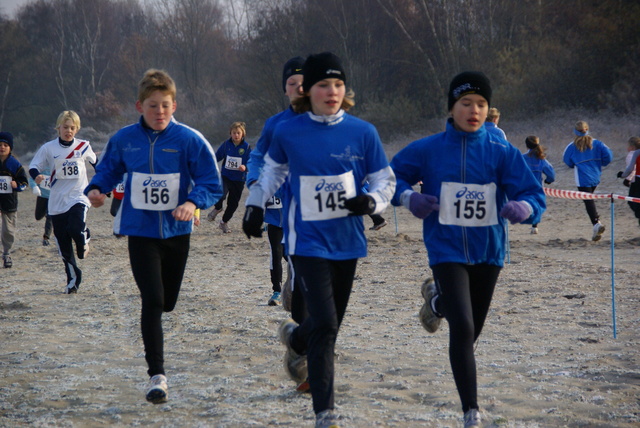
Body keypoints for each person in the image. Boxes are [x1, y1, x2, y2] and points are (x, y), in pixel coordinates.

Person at [242, 52, 396, 428]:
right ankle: (325, 413)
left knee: (329, 326)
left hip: (347, 240)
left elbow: (385, 179)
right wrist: (255, 205)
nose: (332, 92)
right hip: (305, 240)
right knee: (325, 322)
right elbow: (272, 172)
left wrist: (371, 201)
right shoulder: (288, 131)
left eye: (338, 85)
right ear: (307, 91)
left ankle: (296, 341)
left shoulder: (363, 132)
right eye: (324, 85)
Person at [389, 71, 546, 428]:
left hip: (489, 252)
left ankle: (436, 302)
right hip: (446, 250)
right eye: (466, 103)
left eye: (481, 104)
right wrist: (408, 196)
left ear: (489, 110)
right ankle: (471, 412)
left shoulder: (501, 152)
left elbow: (533, 193)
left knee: (471, 330)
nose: (474, 110)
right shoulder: (428, 149)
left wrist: (526, 209)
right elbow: (389, 176)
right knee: (461, 327)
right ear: (451, 108)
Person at [85, 69, 223, 404]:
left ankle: (157, 353)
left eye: (164, 105)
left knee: (168, 301)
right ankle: (156, 375)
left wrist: (193, 202)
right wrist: (96, 188)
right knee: (153, 300)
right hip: (140, 231)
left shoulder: (190, 140)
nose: (159, 112)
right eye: (152, 106)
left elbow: (211, 182)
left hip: (177, 231)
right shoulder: (124, 139)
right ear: (139, 106)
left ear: (174, 106)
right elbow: (108, 169)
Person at [246, 56, 305, 306]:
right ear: (285, 88)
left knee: (302, 263)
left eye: (305, 82)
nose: (299, 88)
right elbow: (258, 157)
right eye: (292, 83)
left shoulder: (330, 122)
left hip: (310, 213)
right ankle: (278, 290)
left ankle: (294, 291)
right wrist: (254, 188)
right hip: (275, 207)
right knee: (278, 253)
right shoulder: (276, 124)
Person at [29, 111, 97, 293]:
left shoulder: (83, 146)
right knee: (64, 247)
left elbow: (98, 164)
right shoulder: (48, 148)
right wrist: (36, 177)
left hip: (78, 196)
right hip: (57, 201)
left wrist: (103, 184)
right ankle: (73, 280)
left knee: (75, 228)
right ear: (58, 128)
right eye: (65, 127)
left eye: (72, 128)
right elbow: (33, 166)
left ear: (77, 129)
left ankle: (84, 236)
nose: (68, 131)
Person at [562, 120, 613, 241]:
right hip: (595, 176)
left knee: (588, 201)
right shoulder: (598, 143)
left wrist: (573, 164)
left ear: (575, 131)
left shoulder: (571, 146)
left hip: (582, 178)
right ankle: (596, 225)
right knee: (589, 199)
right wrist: (601, 163)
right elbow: (609, 156)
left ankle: (596, 223)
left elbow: (566, 160)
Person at [207, 121, 251, 233]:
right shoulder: (226, 145)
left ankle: (224, 222)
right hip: (226, 176)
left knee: (233, 204)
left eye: (238, 133)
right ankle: (217, 208)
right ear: (230, 133)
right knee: (220, 194)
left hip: (239, 180)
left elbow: (251, 163)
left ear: (243, 134)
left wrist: (245, 167)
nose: (236, 135)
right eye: (234, 133)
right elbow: (217, 157)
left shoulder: (246, 148)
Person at [0, 132, 28, 268]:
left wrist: (17, 185)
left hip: (9, 202)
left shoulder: (14, 164)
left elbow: (24, 182)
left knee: (9, 231)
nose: (2, 147)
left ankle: (6, 253)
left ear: (10, 147)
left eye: (5, 145)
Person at [522, 136, 555, 234]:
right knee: (537, 205)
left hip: (524, 187)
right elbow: (551, 173)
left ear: (527, 145)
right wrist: (549, 180)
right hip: (537, 187)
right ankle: (534, 226)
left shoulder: (522, 158)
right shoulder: (541, 159)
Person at [617, 136, 640, 227]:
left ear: (633, 147)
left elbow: (630, 169)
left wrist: (622, 175)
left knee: (632, 200)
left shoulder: (636, 153)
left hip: (638, 181)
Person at [27, 166, 54, 246]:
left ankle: (46, 237)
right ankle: (46, 213)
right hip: (42, 196)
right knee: (38, 216)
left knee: (50, 217)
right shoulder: (41, 168)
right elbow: (32, 179)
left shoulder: (57, 169)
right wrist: (35, 186)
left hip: (53, 197)